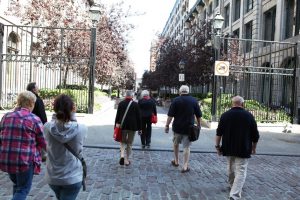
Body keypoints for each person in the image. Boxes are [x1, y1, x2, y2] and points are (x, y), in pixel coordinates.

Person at [0, 91, 47, 200]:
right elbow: (43, 141)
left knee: (17, 186)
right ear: (31, 103)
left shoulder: (6, 117)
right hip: (24, 161)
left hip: (7, 159)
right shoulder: (34, 119)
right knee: (23, 189)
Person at [215, 95, 260, 200]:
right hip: (243, 148)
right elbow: (255, 135)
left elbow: (219, 133)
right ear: (242, 104)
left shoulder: (225, 115)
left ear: (232, 103)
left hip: (228, 147)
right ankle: (234, 194)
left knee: (231, 168)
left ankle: (232, 186)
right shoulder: (249, 116)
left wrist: (217, 146)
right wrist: (254, 148)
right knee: (241, 171)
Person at [44, 94, 87, 200]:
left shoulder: (47, 127)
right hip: (72, 176)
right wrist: (72, 116)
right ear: (73, 109)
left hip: (53, 177)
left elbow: (56, 125)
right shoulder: (82, 128)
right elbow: (72, 129)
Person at [164, 85, 202, 173]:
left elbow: (170, 115)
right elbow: (198, 115)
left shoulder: (176, 100)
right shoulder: (193, 101)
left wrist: (167, 125)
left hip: (177, 127)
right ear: (188, 91)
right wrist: (199, 125)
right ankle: (185, 166)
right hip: (189, 128)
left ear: (180, 92)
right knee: (187, 147)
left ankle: (176, 161)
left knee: (176, 144)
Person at [115, 90, 141, 166]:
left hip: (122, 126)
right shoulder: (135, 105)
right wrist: (140, 128)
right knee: (129, 143)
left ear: (125, 96)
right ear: (132, 96)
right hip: (132, 127)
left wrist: (115, 126)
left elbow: (117, 116)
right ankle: (126, 160)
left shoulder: (121, 104)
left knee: (122, 142)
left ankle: (122, 155)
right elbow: (139, 118)